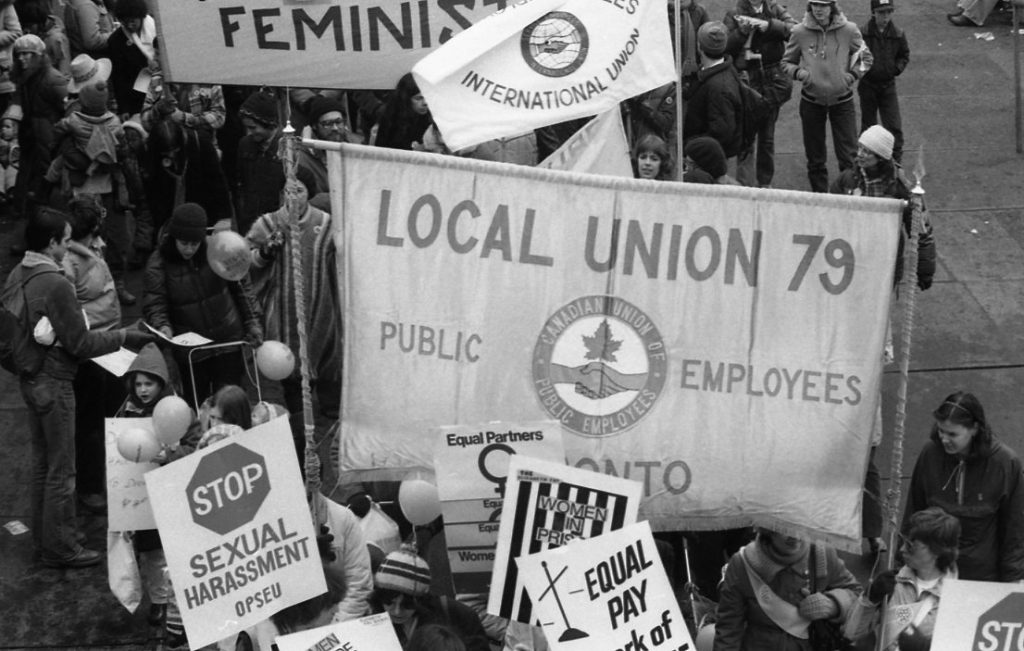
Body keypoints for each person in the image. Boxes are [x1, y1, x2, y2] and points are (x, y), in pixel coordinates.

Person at [5, 208, 153, 568]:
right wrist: (124, 336)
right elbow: (81, 344)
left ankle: (48, 538)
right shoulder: (55, 282)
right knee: (62, 470)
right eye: (65, 238)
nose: (69, 244)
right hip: (55, 383)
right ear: (53, 243)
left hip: (30, 379)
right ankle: (63, 547)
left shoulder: (18, 273)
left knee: (44, 465)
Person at [246, 178, 341, 440]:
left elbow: (343, 257)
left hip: (320, 306)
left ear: (308, 193)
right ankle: (300, 416)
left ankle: (328, 410)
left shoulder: (326, 223)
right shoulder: (267, 224)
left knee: (325, 354)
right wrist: (265, 253)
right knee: (289, 363)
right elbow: (245, 261)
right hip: (281, 311)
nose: (294, 197)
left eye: (299, 190)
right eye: (288, 190)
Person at [143, 202, 264, 408]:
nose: (189, 249)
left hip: (227, 340)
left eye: (195, 243)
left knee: (231, 404)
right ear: (173, 238)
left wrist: (252, 321)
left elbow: (241, 288)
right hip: (191, 351)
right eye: (183, 243)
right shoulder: (159, 262)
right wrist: (163, 326)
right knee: (196, 406)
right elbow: (155, 303)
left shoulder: (221, 250)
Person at [903, 391, 1024, 582]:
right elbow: (914, 509)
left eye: (952, 434)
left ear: (975, 428)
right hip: (933, 574)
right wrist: (901, 565)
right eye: (941, 430)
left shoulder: (1005, 463)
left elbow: (1014, 528)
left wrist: (1013, 579)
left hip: (981, 577)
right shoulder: (930, 453)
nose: (943, 439)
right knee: (909, 613)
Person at [62, 194, 122, 514]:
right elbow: (69, 310)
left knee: (116, 411)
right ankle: (89, 487)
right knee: (90, 422)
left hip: (112, 342)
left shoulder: (95, 247)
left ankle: (117, 476)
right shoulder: (69, 262)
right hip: (91, 349)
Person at [712, 527, 861, 650]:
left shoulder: (821, 554)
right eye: (784, 527)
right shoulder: (742, 564)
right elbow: (728, 630)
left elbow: (857, 595)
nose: (795, 535)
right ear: (767, 528)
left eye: (799, 523)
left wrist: (833, 604)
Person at [830, 125, 935, 292]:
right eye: (860, 148)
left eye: (866, 151)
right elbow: (828, 213)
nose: (860, 155)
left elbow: (921, 229)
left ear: (880, 157)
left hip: (887, 259)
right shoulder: (847, 180)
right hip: (851, 256)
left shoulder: (902, 189)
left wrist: (925, 271)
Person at [781, 0, 872, 193]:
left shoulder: (849, 30)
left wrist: (851, 76)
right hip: (811, 102)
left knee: (849, 158)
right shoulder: (799, 32)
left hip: (843, 102)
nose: (818, 9)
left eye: (823, 5)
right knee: (815, 159)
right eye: (814, 4)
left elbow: (866, 58)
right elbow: (786, 62)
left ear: (832, 6)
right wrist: (800, 74)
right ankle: (820, 199)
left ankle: (847, 198)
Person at [844, 508, 960, 651]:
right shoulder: (892, 581)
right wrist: (869, 599)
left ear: (936, 550)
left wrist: (925, 648)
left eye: (911, 546)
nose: (902, 549)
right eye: (904, 542)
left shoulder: (957, 599)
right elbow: (851, 633)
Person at [724, 0, 796, 188]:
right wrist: (742, 32)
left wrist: (769, 25)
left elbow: (795, 31)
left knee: (767, 137)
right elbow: (724, 46)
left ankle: (765, 185)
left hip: (773, 79)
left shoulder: (775, 9)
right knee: (747, 137)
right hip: (746, 78)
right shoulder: (734, 13)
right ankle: (744, 186)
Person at [371, 545, 491, 651]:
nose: (397, 611)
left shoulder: (457, 614)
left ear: (421, 599)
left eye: (407, 605)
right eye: (389, 602)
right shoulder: (371, 621)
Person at [9, 33, 67, 218]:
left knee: (48, 181)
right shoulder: (25, 78)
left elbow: (66, 108)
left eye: (27, 53)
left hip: (48, 138)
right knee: (30, 182)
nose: (21, 58)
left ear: (38, 55)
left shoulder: (53, 79)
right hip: (31, 137)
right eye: (19, 54)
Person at [684, 22, 744, 162]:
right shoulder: (722, 72)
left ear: (700, 47)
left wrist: (694, 152)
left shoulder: (719, 87)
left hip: (706, 160)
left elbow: (721, 133)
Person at [859, 0, 909, 164]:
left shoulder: (898, 34)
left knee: (894, 125)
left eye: (888, 12)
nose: (885, 16)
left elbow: (904, 55)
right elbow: (855, 55)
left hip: (888, 85)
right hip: (868, 85)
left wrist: (895, 69)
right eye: (881, 13)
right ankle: (866, 161)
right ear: (873, 13)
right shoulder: (863, 33)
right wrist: (863, 70)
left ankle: (895, 162)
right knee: (868, 125)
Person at [235, 88, 284, 236]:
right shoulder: (245, 145)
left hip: (276, 224)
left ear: (268, 123)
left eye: (253, 128)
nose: (249, 133)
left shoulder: (288, 147)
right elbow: (240, 184)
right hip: (250, 222)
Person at [105, 0, 155, 118]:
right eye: (125, 22)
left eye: (133, 21)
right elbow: (119, 77)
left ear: (141, 16)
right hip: (136, 97)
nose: (129, 26)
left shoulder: (156, 27)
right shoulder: (116, 40)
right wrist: (124, 108)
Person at [296, 95, 350, 195]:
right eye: (327, 123)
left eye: (338, 122)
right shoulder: (304, 157)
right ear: (315, 126)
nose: (335, 128)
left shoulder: (356, 145)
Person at [373, 72, 432, 151]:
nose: (425, 103)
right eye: (418, 98)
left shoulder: (432, 118)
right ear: (406, 99)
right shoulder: (390, 120)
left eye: (427, 96)